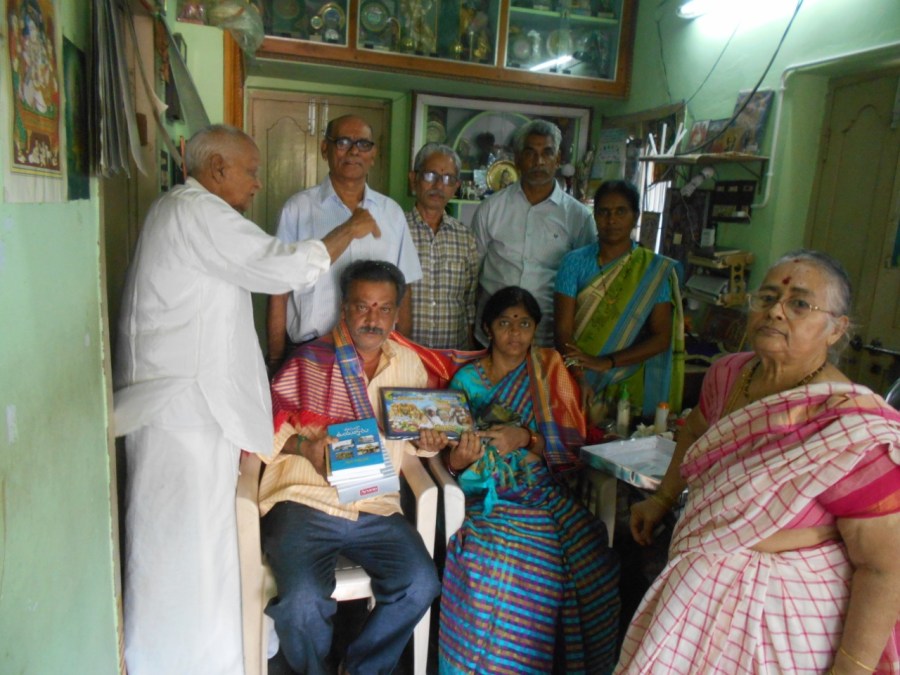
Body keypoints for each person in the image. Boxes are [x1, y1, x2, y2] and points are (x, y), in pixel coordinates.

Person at [113, 124, 380, 675]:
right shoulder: (197, 211)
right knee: (183, 547)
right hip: (183, 413)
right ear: (217, 170)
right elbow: (283, 267)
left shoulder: (182, 211)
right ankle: (181, 662)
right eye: (251, 171)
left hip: (186, 411)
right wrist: (349, 229)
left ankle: (208, 654)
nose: (258, 183)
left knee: (200, 545)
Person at [619, 250, 900, 674]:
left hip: (782, 618)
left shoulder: (850, 428)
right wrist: (662, 499)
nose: (776, 311)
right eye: (767, 298)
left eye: (799, 303)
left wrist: (852, 669)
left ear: (837, 329)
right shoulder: (729, 373)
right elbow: (695, 429)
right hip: (693, 596)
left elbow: (883, 567)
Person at [260, 260, 448, 674]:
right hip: (305, 501)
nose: (372, 319)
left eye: (384, 308)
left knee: (421, 583)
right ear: (344, 308)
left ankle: (362, 669)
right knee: (302, 602)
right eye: (363, 306)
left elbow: (413, 437)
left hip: (375, 505)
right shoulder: (308, 360)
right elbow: (261, 431)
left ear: (396, 314)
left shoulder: (409, 366)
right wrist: (305, 447)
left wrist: (426, 442)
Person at [438, 286, 621, 674]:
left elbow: (567, 446)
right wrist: (461, 459)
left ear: (535, 329)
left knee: (593, 561)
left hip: (541, 488)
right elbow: (449, 461)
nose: (515, 333)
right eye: (505, 322)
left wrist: (524, 437)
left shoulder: (548, 371)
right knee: (503, 570)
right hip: (486, 493)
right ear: (488, 328)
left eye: (524, 324)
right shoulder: (466, 381)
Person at [266, 114, 422, 370]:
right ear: (324, 149)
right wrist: (275, 360)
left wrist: (402, 355)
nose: (354, 151)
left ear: (373, 154)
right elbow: (278, 290)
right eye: (343, 142)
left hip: (375, 354)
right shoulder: (298, 209)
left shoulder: (391, 213)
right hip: (310, 352)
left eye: (363, 144)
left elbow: (403, 290)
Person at [554, 180, 684, 423]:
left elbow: (661, 338)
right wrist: (579, 376)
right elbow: (562, 332)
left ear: (635, 216)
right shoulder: (574, 263)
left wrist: (607, 362)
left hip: (630, 378)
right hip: (577, 377)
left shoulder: (651, 270)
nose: (611, 220)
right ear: (595, 216)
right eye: (604, 212)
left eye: (620, 211)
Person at [472, 119, 595, 347]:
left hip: (546, 338)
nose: (539, 161)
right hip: (491, 338)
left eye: (547, 153)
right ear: (517, 159)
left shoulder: (578, 217)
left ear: (558, 159)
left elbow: (586, 283)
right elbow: (472, 271)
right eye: (530, 153)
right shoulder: (491, 208)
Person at [406, 142, 479, 349]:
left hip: (453, 355)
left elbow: (469, 304)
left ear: (456, 187)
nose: (439, 185)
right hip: (405, 354)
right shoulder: (395, 230)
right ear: (414, 178)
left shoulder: (465, 237)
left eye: (448, 179)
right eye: (431, 175)